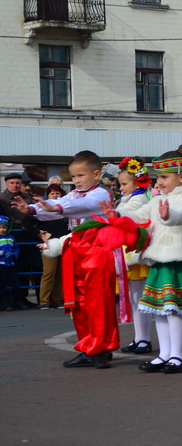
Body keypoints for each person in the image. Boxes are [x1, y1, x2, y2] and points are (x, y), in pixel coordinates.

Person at [107, 144, 182, 374]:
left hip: (176, 260)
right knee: (159, 310)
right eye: (158, 177)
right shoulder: (157, 200)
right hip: (158, 259)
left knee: (172, 309)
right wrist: (117, 214)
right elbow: (138, 215)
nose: (159, 182)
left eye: (164, 177)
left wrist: (168, 215)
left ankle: (176, 356)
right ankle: (164, 354)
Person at [18, 151, 116, 368]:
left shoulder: (101, 194)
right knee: (78, 303)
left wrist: (56, 208)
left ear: (97, 174)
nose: (76, 180)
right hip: (77, 250)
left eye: (81, 175)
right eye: (73, 177)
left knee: (99, 302)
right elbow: (54, 209)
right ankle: (87, 347)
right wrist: (31, 209)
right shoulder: (72, 195)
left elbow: (83, 206)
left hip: (97, 249)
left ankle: (102, 348)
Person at [115, 157, 154, 354]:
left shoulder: (139, 199)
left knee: (140, 297)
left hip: (138, 252)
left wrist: (111, 214)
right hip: (131, 252)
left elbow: (125, 214)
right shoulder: (131, 198)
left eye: (124, 184)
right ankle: (140, 337)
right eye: (120, 184)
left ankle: (144, 339)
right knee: (134, 297)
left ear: (137, 181)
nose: (121, 188)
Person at [0, 172, 40, 309]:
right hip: (12, 239)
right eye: (12, 183)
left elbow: (36, 212)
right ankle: (11, 300)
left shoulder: (27, 197)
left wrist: (31, 225)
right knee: (11, 271)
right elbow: (7, 218)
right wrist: (22, 225)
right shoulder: (2, 199)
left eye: (17, 183)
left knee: (25, 269)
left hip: (29, 238)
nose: (15, 185)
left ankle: (23, 298)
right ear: (7, 184)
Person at [37, 184, 69, 310]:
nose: (55, 195)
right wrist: (38, 233)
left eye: (57, 193)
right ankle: (44, 301)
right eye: (52, 194)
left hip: (62, 244)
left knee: (59, 274)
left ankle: (57, 300)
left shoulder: (64, 210)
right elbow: (27, 221)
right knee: (48, 273)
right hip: (48, 245)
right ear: (47, 196)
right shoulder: (42, 210)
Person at [0, 216, 20, 312]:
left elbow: (16, 248)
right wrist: (2, 253)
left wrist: (15, 254)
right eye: (0, 227)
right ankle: (5, 304)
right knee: (2, 285)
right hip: (1, 264)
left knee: (16, 284)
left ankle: (17, 302)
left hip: (11, 264)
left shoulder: (11, 238)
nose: (2, 230)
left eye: (4, 227)